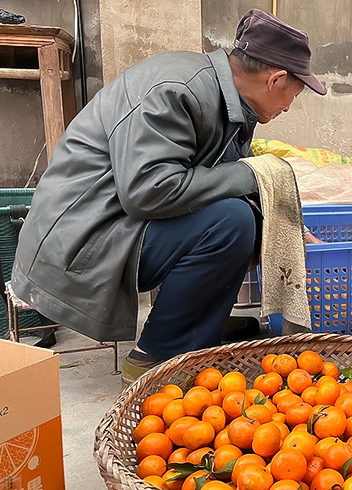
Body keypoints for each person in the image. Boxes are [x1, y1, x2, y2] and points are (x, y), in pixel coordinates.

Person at [11, 9, 326, 383]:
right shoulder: (176, 91)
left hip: (116, 224)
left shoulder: (226, 99)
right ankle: (159, 353)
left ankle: (197, 324)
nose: (289, 106)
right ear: (275, 80)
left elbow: (229, 181)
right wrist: (251, 173)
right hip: (81, 240)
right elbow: (148, 192)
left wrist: (290, 224)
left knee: (250, 216)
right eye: (294, 94)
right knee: (232, 222)